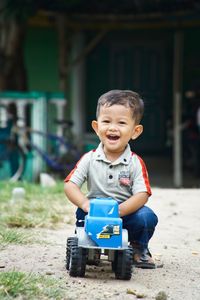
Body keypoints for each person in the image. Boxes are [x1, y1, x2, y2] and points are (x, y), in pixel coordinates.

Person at [64, 90, 158, 269]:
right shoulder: (89, 158)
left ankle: (139, 247)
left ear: (135, 131)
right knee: (82, 217)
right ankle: (88, 246)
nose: (113, 128)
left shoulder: (134, 162)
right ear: (96, 126)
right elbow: (70, 184)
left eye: (121, 123)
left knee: (146, 216)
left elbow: (142, 193)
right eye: (106, 121)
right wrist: (85, 204)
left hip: (124, 214)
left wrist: (120, 211)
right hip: (92, 212)